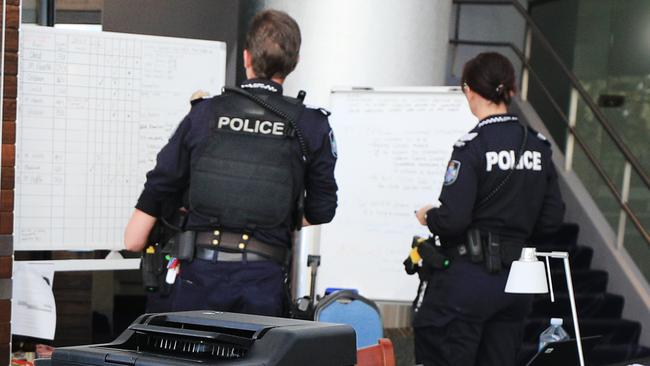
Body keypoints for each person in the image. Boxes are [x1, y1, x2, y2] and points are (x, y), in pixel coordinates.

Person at [124, 9, 338, 317]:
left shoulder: (203, 114)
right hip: (263, 283)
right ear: (294, 63)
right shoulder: (312, 125)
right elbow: (322, 209)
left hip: (198, 281)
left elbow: (162, 183)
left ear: (247, 57)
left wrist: (136, 237)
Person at [413, 52, 565, 366]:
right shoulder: (538, 146)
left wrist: (429, 216)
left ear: (469, 90)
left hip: (469, 280)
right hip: (517, 284)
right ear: (510, 90)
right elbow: (551, 221)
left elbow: (454, 220)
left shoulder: (473, 145)